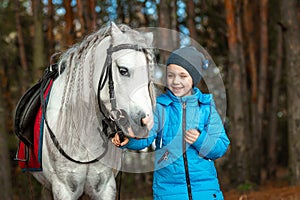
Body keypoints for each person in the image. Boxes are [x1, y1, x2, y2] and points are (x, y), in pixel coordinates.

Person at [112, 46, 230, 200]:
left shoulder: (206, 107)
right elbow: (146, 138)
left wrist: (200, 140)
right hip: (168, 191)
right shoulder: (160, 107)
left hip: (205, 190)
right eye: (171, 75)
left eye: (183, 76)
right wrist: (129, 140)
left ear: (193, 78)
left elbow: (220, 147)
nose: (176, 81)